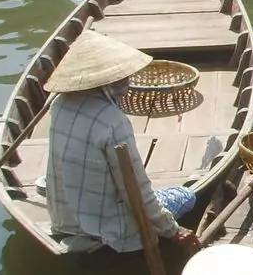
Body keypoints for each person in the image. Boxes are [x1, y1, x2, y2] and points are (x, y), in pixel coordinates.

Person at [43, 29, 201, 254]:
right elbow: (136, 192)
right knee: (186, 196)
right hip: (109, 229)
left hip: (63, 221)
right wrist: (173, 231)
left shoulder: (58, 105)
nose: (126, 79)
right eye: (121, 75)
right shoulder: (112, 122)